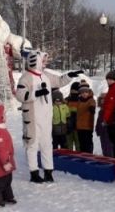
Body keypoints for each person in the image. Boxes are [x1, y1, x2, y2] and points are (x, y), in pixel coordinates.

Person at [15, 49, 82, 183]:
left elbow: (58, 81)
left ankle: (48, 171)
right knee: (32, 145)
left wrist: (70, 75)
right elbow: (20, 95)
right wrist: (37, 93)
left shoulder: (45, 76)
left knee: (47, 144)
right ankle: (34, 172)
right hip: (33, 118)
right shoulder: (26, 77)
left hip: (46, 117)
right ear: (36, 60)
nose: (45, 62)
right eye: (43, 60)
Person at [76, 86, 96, 153]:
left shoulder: (91, 100)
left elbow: (92, 104)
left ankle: (89, 156)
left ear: (88, 93)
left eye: (86, 92)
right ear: (80, 94)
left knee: (88, 144)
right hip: (80, 126)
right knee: (82, 145)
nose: (85, 94)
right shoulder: (78, 101)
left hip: (88, 126)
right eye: (83, 92)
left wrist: (92, 108)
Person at [95, 92, 113, 157]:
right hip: (102, 132)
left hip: (108, 132)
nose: (103, 100)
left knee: (109, 148)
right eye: (102, 99)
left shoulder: (110, 109)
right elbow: (98, 121)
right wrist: (97, 128)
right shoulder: (101, 111)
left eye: (105, 99)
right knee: (104, 146)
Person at [65, 82, 81, 151]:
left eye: (76, 90)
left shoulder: (81, 100)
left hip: (78, 127)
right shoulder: (66, 100)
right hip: (68, 127)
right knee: (69, 146)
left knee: (78, 146)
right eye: (72, 90)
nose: (74, 92)